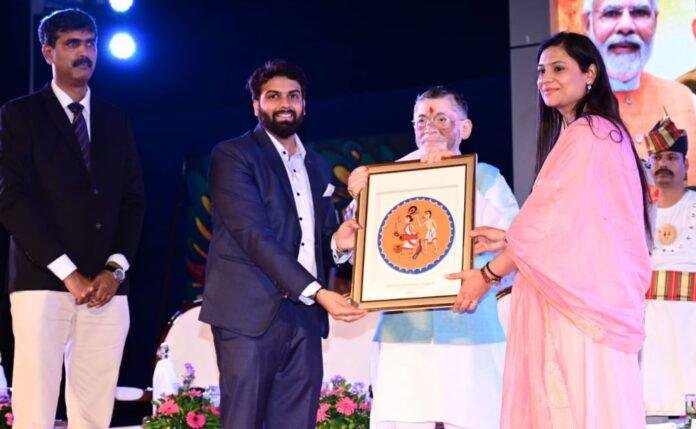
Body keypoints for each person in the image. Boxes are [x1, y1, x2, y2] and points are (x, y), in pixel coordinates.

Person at [448, 32, 652, 428]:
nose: (546, 79)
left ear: (589, 73)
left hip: (579, 303)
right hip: (584, 296)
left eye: (558, 68)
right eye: (541, 71)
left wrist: (486, 275)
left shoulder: (589, 133)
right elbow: (579, 220)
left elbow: (550, 226)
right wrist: (509, 239)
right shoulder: (597, 132)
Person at [199, 59, 367, 429]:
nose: (284, 104)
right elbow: (254, 236)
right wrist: (319, 292)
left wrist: (339, 243)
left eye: (293, 96)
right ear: (256, 105)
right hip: (248, 314)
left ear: (304, 104)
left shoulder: (317, 165)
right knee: (243, 421)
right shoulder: (233, 155)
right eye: (273, 96)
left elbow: (319, 240)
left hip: (304, 316)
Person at [0, 9, 146, 428]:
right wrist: (68, 273)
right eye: (72, 44)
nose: (85, 52)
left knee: (94, 412)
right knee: (35, 409)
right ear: (48, 52)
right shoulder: (20, 115)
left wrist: (114, 270)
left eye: (90, 43)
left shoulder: (116, 119)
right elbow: (11, 200)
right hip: (42, 283)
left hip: (107, 289)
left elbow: (134, 201)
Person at [347, 86, 519, 428]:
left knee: (475, 419)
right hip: (403, 333)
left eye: (442, 118)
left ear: (464, 128)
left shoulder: (486, 178)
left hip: (469, 328)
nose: (430, 127)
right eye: (422, 120)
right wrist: (358, 200)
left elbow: (518, 250)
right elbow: (360, 258)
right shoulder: (385, 179)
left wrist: (487, 266)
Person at [582, 0, 696, 185]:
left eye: (639, 12)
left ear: (655, 21)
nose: (626, 26)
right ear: (588, 23)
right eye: (611, 13)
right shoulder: (570, 107)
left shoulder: (686, 98)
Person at [641, 117, 696, 416]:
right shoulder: (638, 214)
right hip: (650, 329)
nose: (663, 164)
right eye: (658, 158)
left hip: (691, 328)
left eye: (672, 157)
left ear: (685, 165)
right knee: (654, 408)